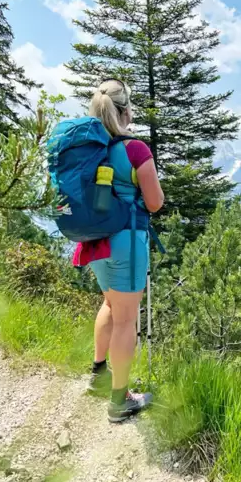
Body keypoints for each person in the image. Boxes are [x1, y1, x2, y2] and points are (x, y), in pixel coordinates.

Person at [73, 79, 164, 423]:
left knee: (110, 305)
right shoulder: (134, 149)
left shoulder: (91, 149)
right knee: (127, 319)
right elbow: (154, 203)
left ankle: (99, 375)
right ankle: (119, 400)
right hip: (127, 241)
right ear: (125, 111)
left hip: (94, 240)